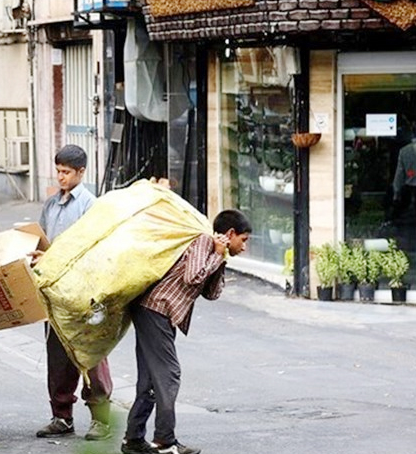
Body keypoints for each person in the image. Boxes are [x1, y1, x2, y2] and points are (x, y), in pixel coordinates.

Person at [121, 210, 252, 454]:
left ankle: (134, 439)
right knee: (169, 374)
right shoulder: (203, 240)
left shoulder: (214, 249)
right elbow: (193, 277)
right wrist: (216, 253)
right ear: (230, 233)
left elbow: (211, 294)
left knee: (150, 378)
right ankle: (164, 441)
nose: (244, 247)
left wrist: (219, 257)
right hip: (156, 309)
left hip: (159, 313)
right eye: (243, 240)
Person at [31, 144, 114, 441]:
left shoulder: (91, 206)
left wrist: (52, 257)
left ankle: (101, 419)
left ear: (81, 172)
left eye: (66, 172)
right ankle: (61, 416)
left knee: (91, 355)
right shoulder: (51, 205)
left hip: (84, 293)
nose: (61, 177)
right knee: (58, 356)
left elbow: (90, 250)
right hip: (54, 294)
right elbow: (43, 242)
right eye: (58, 171)